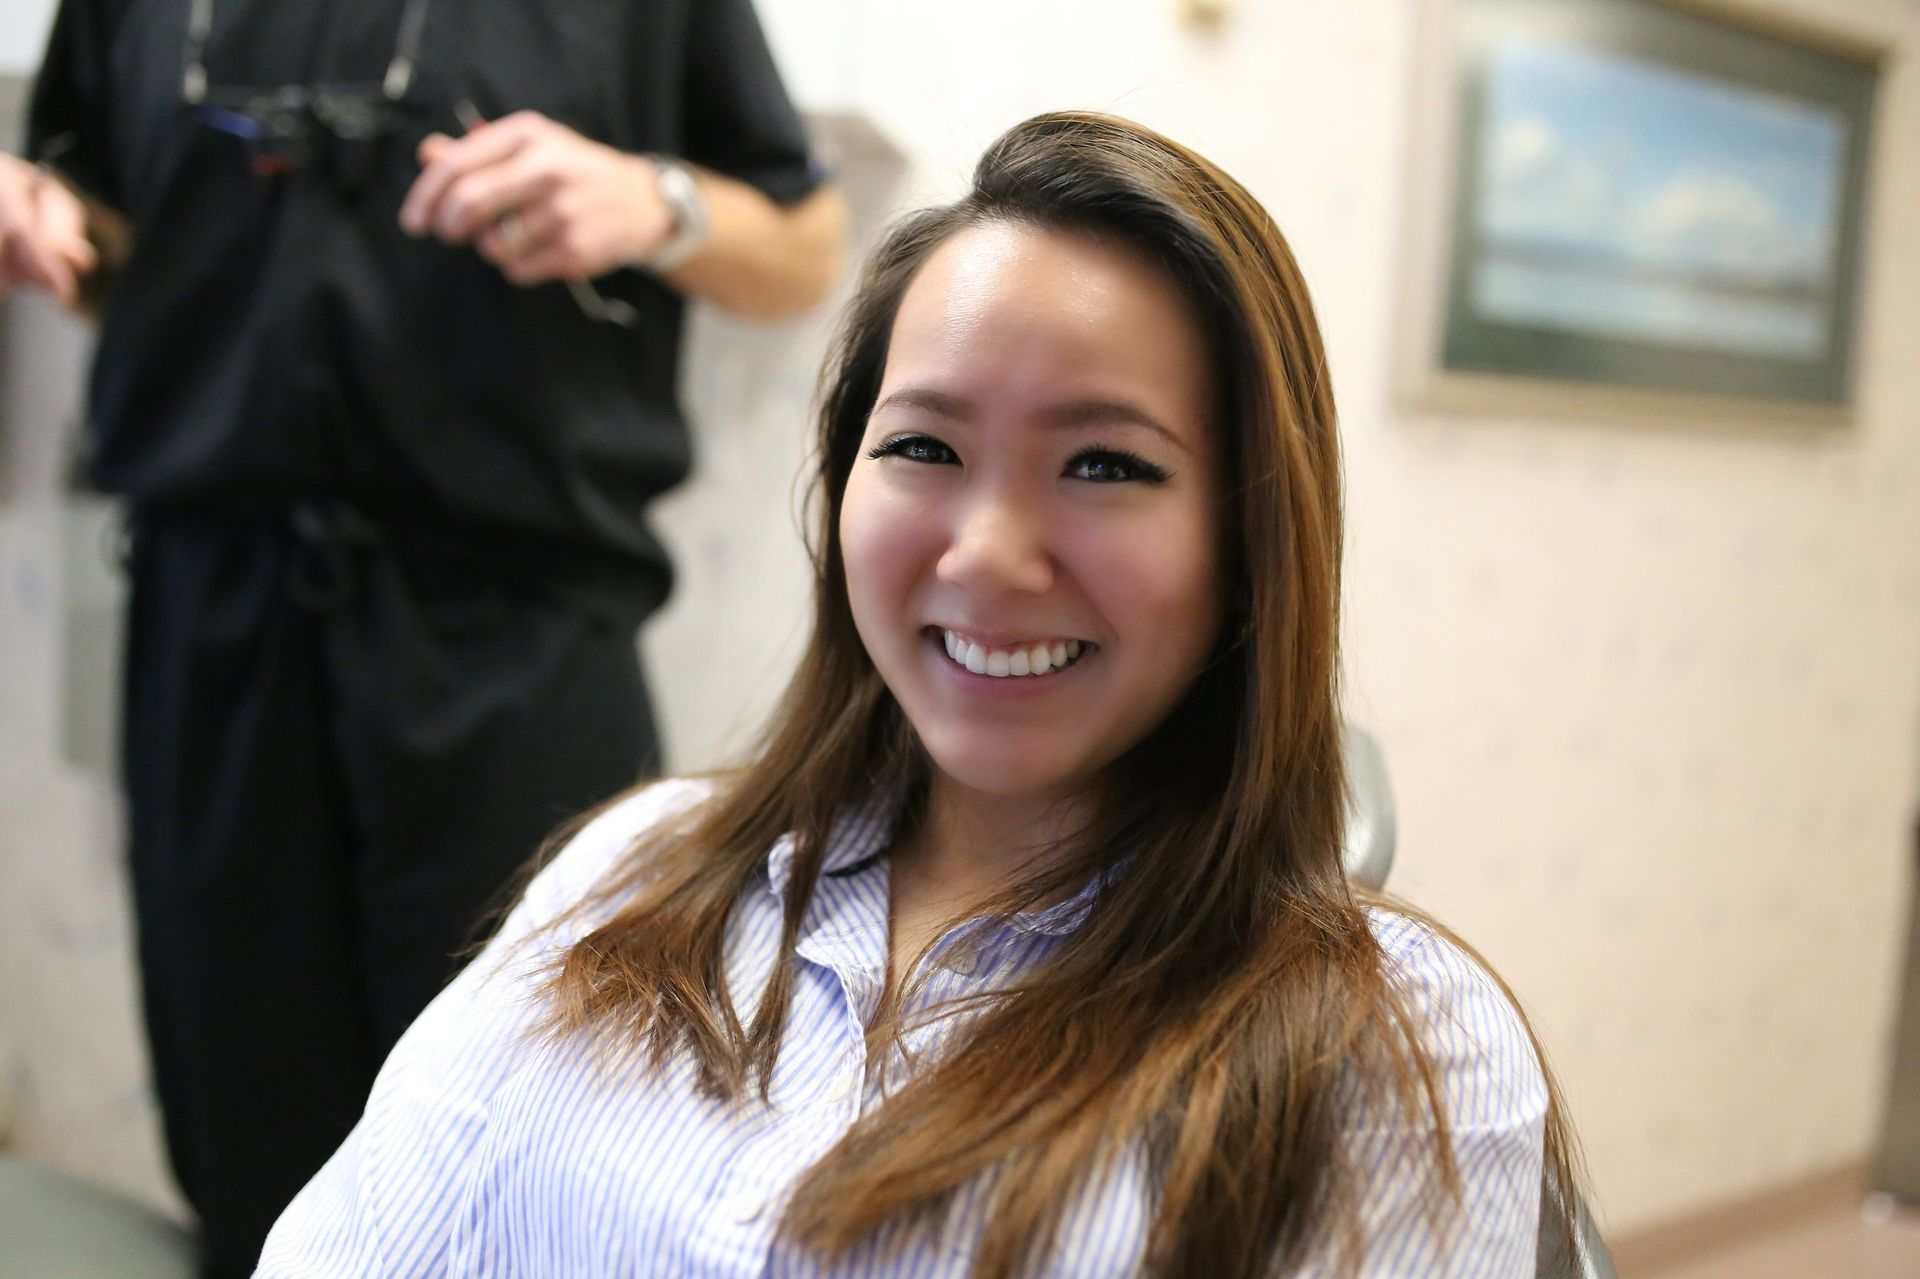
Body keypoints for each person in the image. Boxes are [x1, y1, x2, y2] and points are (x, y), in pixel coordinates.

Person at [257, 111, 1581, 1278]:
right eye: (924, 447)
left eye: (1106, 464)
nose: (986, 554)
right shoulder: (629, 865)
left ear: (1249, 544)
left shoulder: (1392, 1048)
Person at [1, 2, 846, 1275]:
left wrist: (656, 200)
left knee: (550, 1158)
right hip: (211, 631)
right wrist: (40, 218)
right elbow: (117, 237)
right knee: (252, 1150)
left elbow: (806, 244)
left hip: (516, 634)